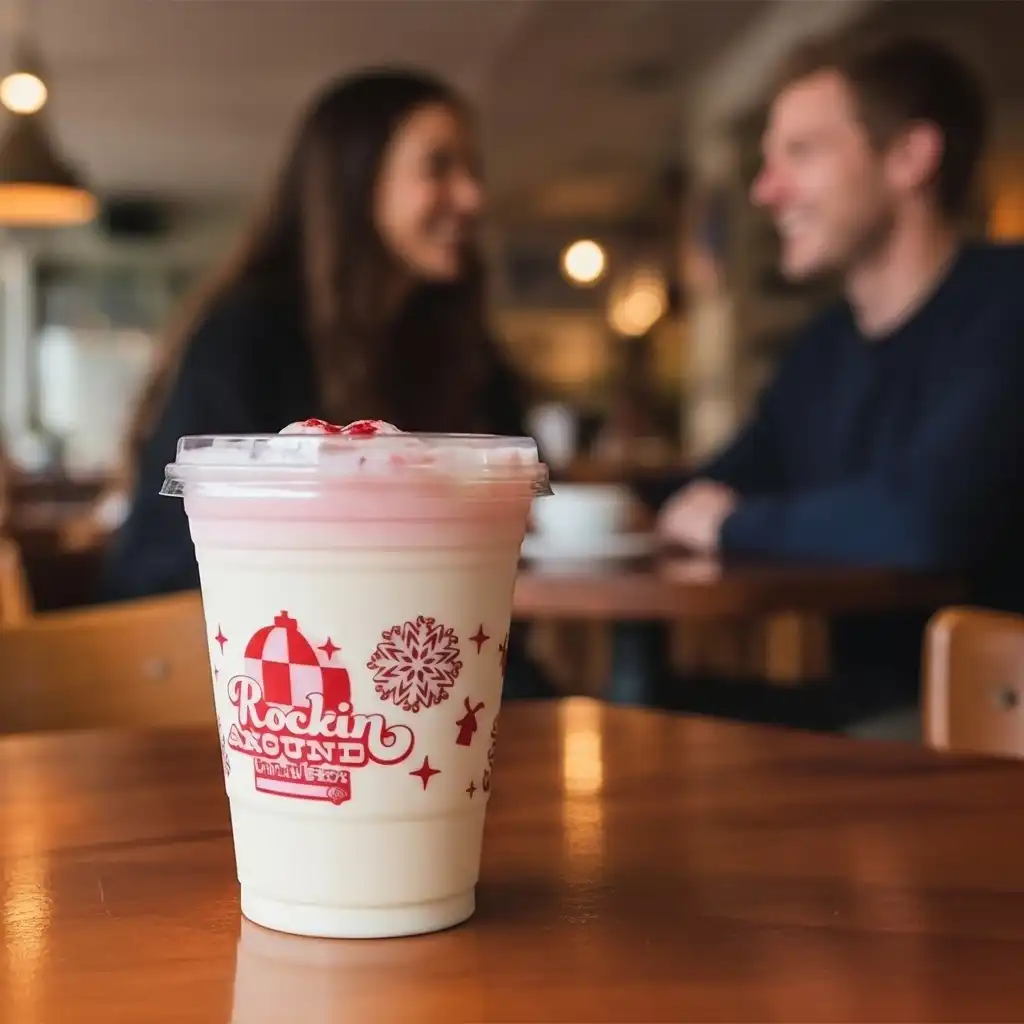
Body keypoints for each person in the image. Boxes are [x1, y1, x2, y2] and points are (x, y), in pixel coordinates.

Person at [99, 69, 551, 696]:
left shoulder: (458, 345)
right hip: (241, 688)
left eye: (471, 169)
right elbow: (176, 559)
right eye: (439, 167)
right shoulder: (249, 335)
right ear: (355, 182)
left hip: (432, 660)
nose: (472, 196)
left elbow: (517, 501)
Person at [649, 32, 1024, 731]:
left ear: (910, 157)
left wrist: (728, 523)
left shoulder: (1008, 306)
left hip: (989, 720)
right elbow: (717, 482)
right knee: (641, 719)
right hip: (873, 705)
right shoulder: (823, 350)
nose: (766, 191)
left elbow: (926, 522)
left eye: (801, 152)